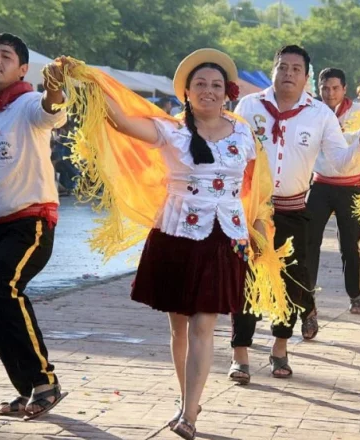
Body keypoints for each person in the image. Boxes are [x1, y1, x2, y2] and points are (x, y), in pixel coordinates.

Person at [52, 48, 290, 440]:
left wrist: (260, 227)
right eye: (201, 85)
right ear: (188, 92)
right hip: (176, 236)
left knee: (204, 324)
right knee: (179, 328)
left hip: (225, 238)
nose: (209, 91)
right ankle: (186, 399)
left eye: (216, 85)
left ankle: (189, 414)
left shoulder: (245, 132)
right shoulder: (171, 130)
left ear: (227, 92)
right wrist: (85, 81)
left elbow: (256, 185)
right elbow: (122, 121)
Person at [231, 45, 360, 380]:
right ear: (273, 70)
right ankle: (241, 353)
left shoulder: (319, 114)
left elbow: (339, 161)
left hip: (295, 207)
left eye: (297, 69)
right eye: (283, 67)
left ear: (307, 76)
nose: (289, 74)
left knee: (293, 282)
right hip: (253, 210)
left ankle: (280, 349)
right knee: (247, 280)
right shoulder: (250, 106)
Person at [0, 33, 68, 420]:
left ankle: (46, 382)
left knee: (3, 290)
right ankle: (27, 389)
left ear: (23, 69)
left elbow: (50, 112)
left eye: (6, 56)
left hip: (30, 219)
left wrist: (53, 91)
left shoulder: (26, 104)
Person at [306, 67, 360, 315]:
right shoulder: (312, 112)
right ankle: (307, 291)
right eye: (325, 88)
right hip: (320, 183)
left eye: (335, 88)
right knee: (311, 241)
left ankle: (355, 294)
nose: (330, 93)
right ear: (319, 89)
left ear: (344, 89)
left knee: (349, 244)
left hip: (351, 186)